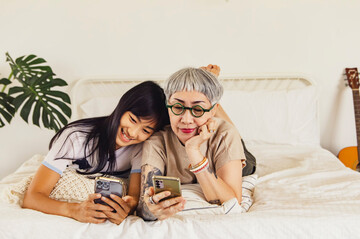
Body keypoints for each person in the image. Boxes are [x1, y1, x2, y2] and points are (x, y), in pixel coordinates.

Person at [22, 81, 169, 225]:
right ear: (122, 107)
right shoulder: (75, 137)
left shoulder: (141, 147)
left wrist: (128, 208)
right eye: (132, 119)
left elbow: (133, 198)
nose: (132, 132)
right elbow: (32, 198)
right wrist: (74, 210)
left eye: (145, 130)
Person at [137, 65, 256, 221]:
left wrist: (193, 150)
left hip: (238, 158)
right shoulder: (156, 142)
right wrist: (151, 207)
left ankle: (208, 86)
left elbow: (232, 201)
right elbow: (145, 204)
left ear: (213, 111)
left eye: (198, 109)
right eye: (178, 107)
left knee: (233, 138)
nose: (186, 120)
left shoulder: (225, 134)